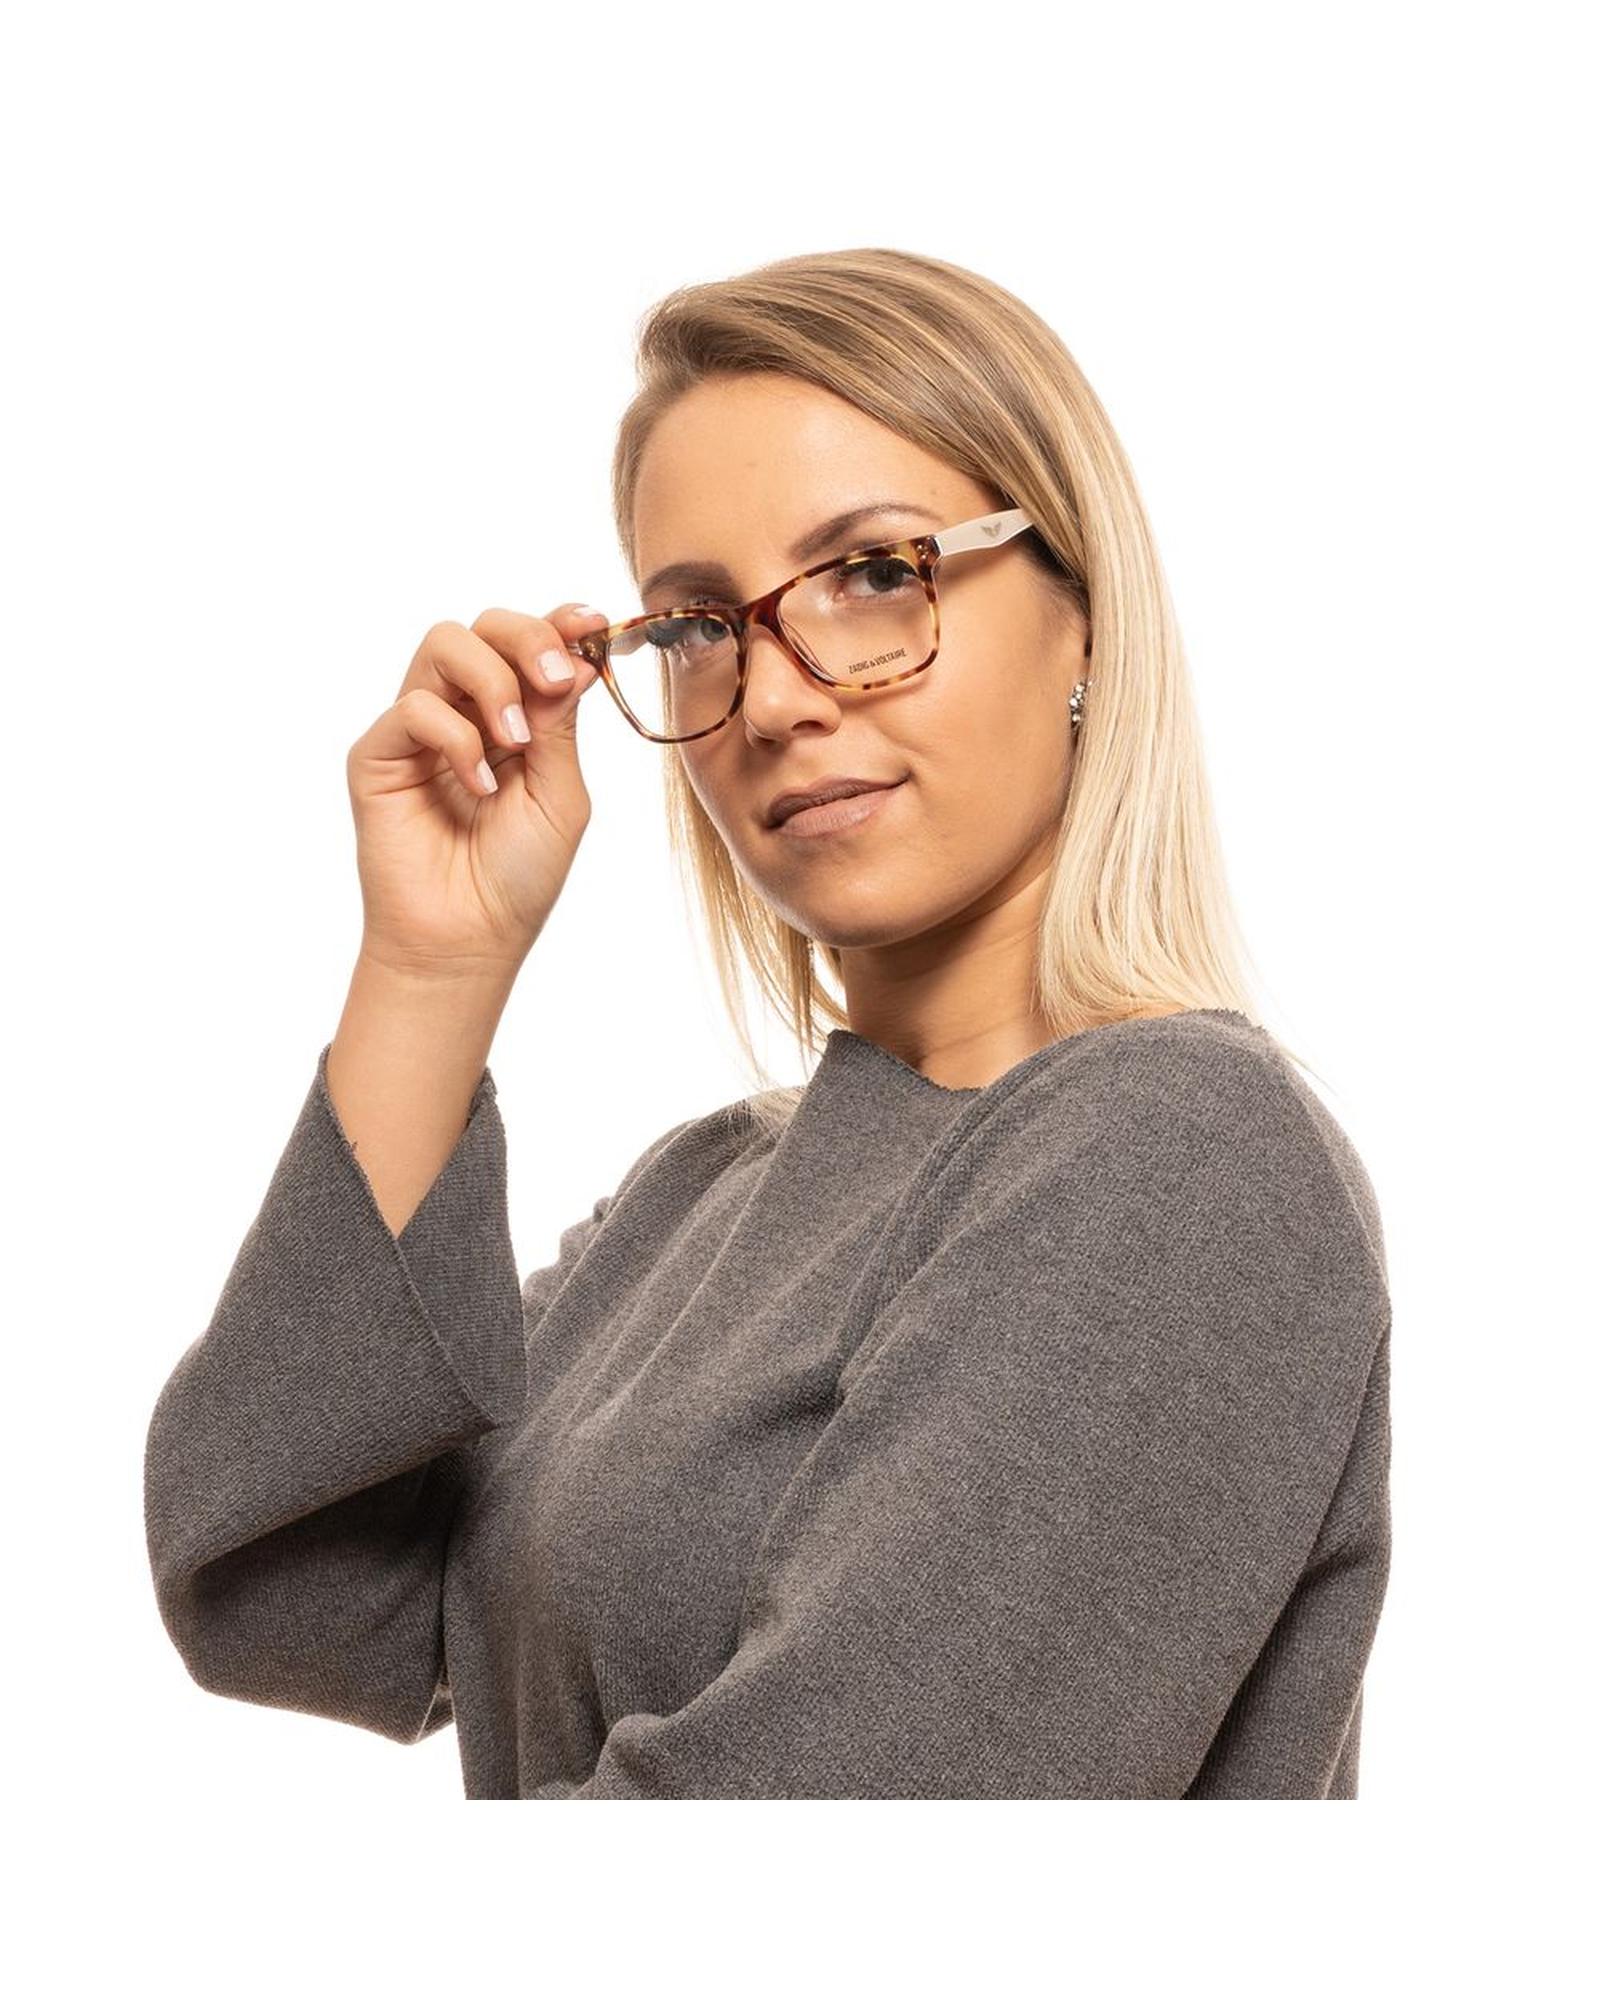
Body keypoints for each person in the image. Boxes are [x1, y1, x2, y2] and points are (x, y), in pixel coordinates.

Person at [142, 246, 1392, 1799]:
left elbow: (816, 1868)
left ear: (1081, 612)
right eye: (697, 627)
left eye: (875, 573)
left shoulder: (1183, 1155)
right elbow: (289, 1590)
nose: (783, 699)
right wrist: (431, 967)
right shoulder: (699, 1203)